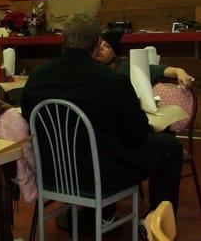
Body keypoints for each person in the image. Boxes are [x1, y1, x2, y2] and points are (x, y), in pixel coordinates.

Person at [21, 14, 183, 215]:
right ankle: (156, 224)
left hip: (53, 172)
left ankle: (99, 216)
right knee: (169, 146)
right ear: (98, 43)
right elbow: (137, 135)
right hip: (102, 174)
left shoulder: (36, 78)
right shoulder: (113, 82)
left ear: (63, 40)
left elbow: (29, 121)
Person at [97, 29, 194, 87]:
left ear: (115, 53)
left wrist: (179, 71)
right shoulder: (90, 65)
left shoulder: (125, 65)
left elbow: (157, 70)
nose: (100, 48)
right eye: (100, 44)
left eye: (107, 46)